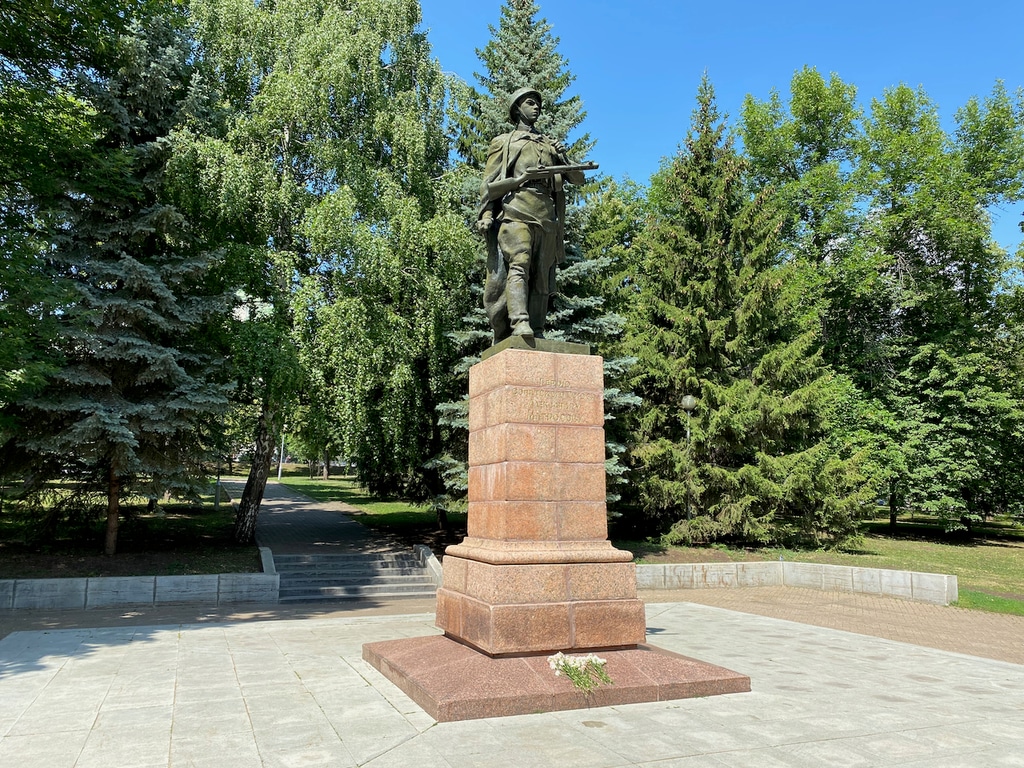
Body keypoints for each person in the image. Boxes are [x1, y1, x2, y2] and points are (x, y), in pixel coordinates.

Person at [477, 87, 587, 342]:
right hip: (516, 209)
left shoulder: (549, 144)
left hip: (546, 215)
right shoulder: (504, 142)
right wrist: (487, 214)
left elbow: (578, 179)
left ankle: (537, 329)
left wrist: (563, 156)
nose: (536, 107)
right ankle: (520, 322)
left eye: (538, 104)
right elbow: (489, 183)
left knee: (542, 276)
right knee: (520, 263)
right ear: (517, 109)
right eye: (530, 103)